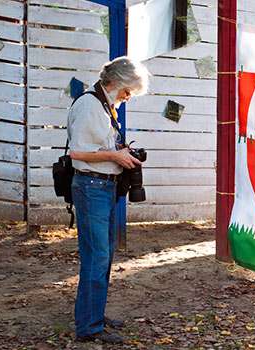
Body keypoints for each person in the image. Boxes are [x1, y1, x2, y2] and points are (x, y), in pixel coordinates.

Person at [67, 57, 149, 344]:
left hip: (103, 188)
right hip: (92, 187)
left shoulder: (104, 106)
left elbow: (97, 145)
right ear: (115, 82)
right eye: (127, 92)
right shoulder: (90, 105)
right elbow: (77, 153)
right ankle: (88, 327)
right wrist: (115, 156)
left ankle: (95, 315)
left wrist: (121, 150)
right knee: (96, 256)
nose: (127, 98)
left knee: (104, 254)